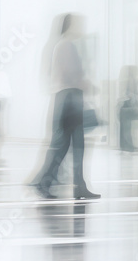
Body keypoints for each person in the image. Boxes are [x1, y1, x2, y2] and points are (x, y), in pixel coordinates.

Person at [34, 14, 100, 200]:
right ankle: (51, 183)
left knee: (66, 145)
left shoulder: (62, 45)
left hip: (67, 100)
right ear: (70, 26)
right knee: (72, 146)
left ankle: (68, 184)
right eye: (78, 24)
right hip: (70, 100)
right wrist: (89, 86)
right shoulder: (66, 45)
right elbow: (72, 76)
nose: (82, 27)